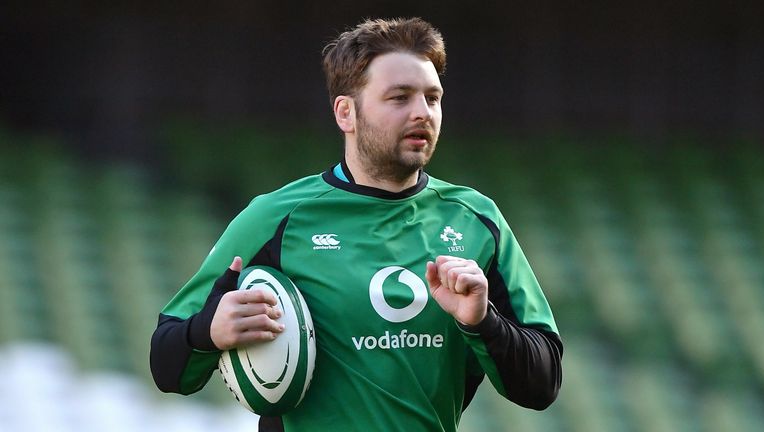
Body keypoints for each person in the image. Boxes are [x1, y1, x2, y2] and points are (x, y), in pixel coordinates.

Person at [150, 17, 562, 432]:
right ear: (346, 112)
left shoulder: (477, 219)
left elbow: (543, 385)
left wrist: (482, 323)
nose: (422, 113)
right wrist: (208, 331)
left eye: (432, 98)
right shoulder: (276, 217)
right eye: (400, 98)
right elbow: (167, 365)